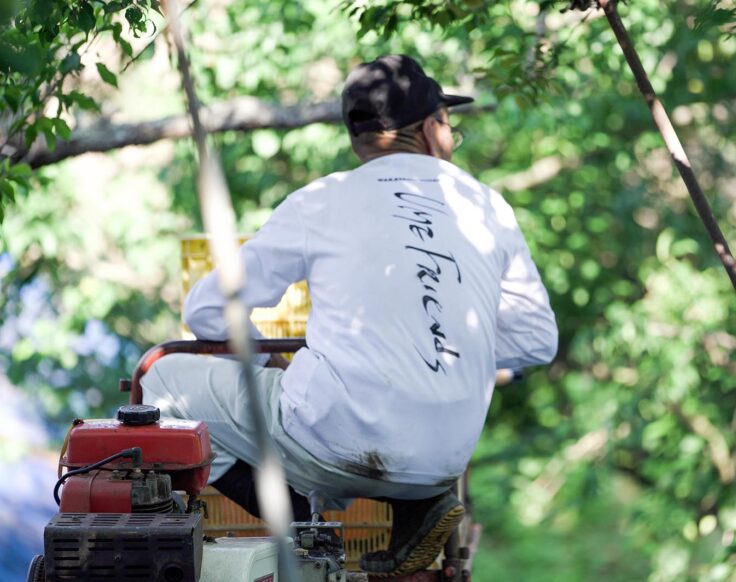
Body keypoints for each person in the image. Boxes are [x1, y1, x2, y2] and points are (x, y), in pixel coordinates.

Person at [142, 54, 558, 576]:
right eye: (451, 126)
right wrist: (448, 346)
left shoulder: (322, 200)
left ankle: (301, 523)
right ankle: (412, 507)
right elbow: (538, 340)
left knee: (163, 378)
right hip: (444, 461)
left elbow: (206, 309)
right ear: (431, 130)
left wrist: (274, 366)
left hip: (328, 444)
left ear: (358, 139)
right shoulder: (488, 206)